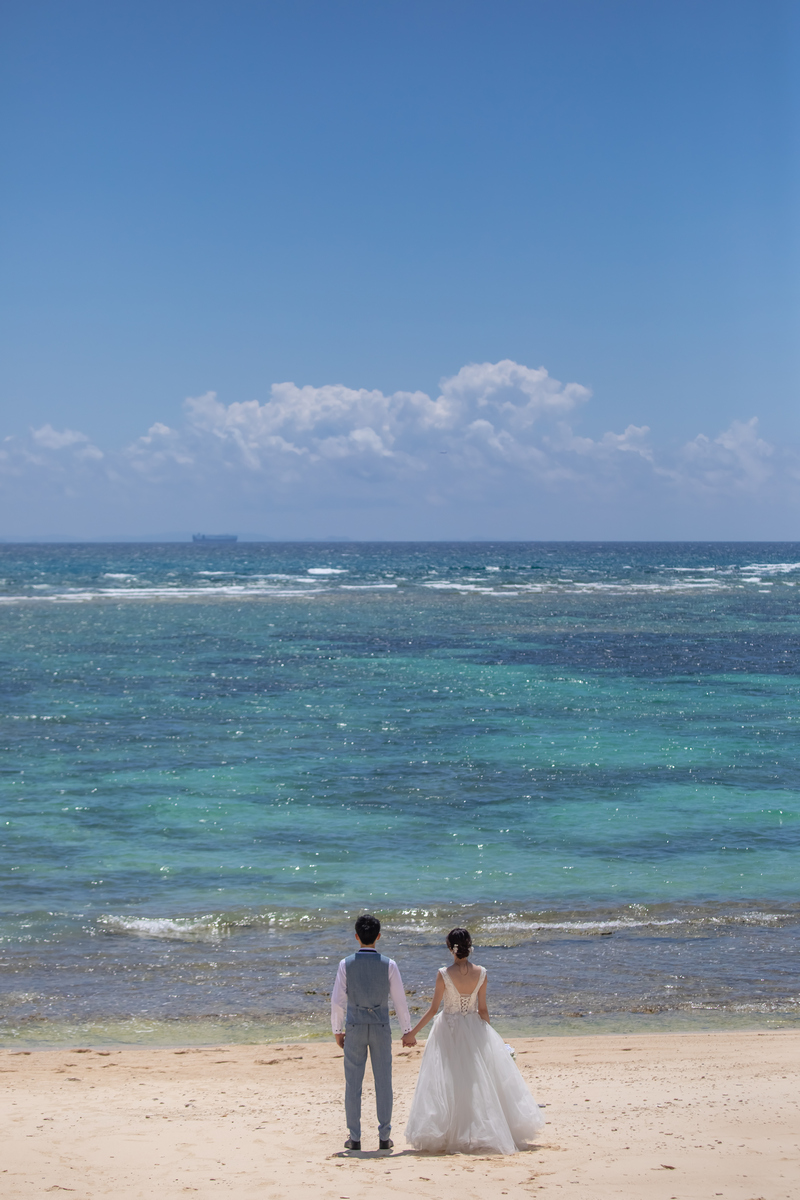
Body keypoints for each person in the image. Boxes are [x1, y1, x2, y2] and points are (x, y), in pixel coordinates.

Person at [404, 927, 545, 1154]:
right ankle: (478, 1129)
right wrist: (489, 1038)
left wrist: (412, 1033)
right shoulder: (482, 973)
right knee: (476, 1080)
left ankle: (452, 1131)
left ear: (450, 948)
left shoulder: (444, 974)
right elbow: (483, 1009)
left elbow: (432, 1010)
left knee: (449, 1080)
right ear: (469, 946)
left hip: (448, 1030)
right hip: (474, 1028)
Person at [331, 913, 416, 1152]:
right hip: (380, 1027)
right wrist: (406, 1030)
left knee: (353, 1083)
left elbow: (337, 1001)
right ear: (378, 937)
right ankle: (384, 1136)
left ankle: (355, 1137)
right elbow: (400, 1001)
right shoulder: (389, 964)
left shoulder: (345, 964)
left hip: (355, 1026)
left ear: (356, 937)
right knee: (383, 1081)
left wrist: (337, 1030)